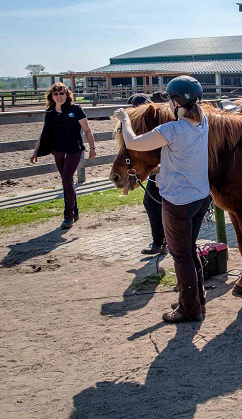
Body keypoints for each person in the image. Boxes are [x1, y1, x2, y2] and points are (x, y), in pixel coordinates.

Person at [115, 75, 210, 323]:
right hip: (200, 197)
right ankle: (195, 300)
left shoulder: (172, 130)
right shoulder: (204, 123)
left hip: (178, 201)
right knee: (190, 250)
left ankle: (189, 309)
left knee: (181, 255)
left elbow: (133, 141)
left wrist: (125, 119)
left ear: (177, 102)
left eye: (170, 100)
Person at [30, 82, 96, 229]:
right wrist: (35, 152)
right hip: (58, 150)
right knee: (67, 181)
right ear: (51, 96)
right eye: (56, 94)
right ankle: (75, 210)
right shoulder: (50, 113)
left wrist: (92, 148)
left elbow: (87, 130)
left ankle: (68, 216)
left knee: (66, 179)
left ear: (67, 94)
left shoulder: (75, 110)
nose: (59, 96)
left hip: (74, 149)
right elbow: (44, 134)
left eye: (62, 93)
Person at [127, 94, 166, 255]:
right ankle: (160, 241)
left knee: (154, 202)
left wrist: (160, 170)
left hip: (162, 169)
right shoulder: (146, 122)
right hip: (155, 169)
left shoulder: (156, 123)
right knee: (152, 202)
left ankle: (162, 241)